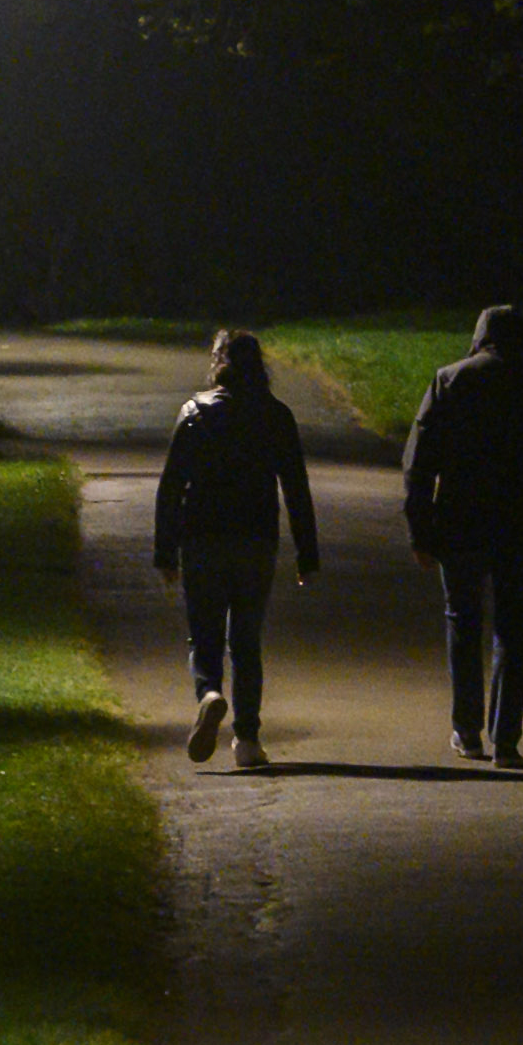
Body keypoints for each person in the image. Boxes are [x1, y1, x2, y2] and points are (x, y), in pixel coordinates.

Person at [402, 304, 523, 767]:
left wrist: (421, 531)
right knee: (512, 631)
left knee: (462, 623)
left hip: (461, 523)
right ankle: (506, 738)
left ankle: (467, 731)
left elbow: (419, 465)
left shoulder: (449, 381)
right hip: (522, 527)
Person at [154, 329, 320, 770]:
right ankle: (247, 739)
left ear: (219, 364)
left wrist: (165, 551)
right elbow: (296, 488)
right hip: (256, 540)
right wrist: (307, 553)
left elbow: (172, 485)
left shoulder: (195, 413)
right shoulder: (276, 416)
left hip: (203, 539)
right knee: (246, 639)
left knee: (204, 633)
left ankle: (209, 692)